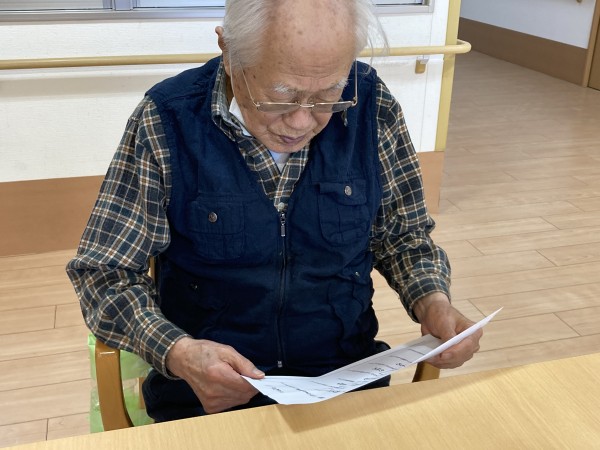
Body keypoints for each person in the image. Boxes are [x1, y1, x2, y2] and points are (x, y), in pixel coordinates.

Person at [67, 0, 482, 422]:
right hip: (207, 395)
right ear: (229, 53)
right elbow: (103, 273)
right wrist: (179, 352)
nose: (302, 122)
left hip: (345, 379)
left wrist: (432, 301)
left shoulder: (372, 106)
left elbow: (403, 237)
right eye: (280, 97)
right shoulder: (168, 119)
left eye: (328, 96)